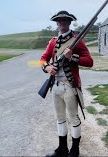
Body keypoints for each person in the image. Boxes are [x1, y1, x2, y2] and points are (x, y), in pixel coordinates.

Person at [40, 10, 93, 157]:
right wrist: (47, 67)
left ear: (69, 22)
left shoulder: (77, 41)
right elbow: (42, 59)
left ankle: (74, 151)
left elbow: (89, 62)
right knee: (60, 118)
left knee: (73, 117)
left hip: (70, 86)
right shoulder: (53, 42)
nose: (62, 23)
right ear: (57, 23)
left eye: (65, 20)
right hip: (55, 85)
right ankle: (62, 149)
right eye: (59, 20)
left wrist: (72, 57)